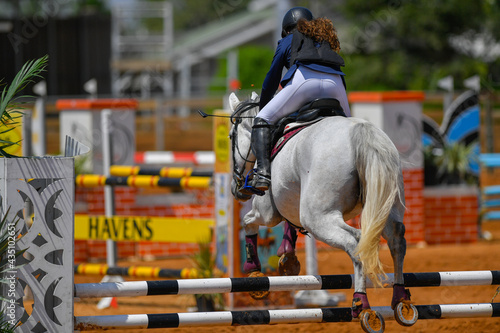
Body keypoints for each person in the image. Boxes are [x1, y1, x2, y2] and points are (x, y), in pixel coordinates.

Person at [249, 7, 351, 193]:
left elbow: (271, 80)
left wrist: (264, 109)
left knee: (262, 119)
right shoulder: (324, 39)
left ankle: (263, 173)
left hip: (304, 80)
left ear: (288, 29)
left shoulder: (287, 40)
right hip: (335, 83)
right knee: (350, 130)